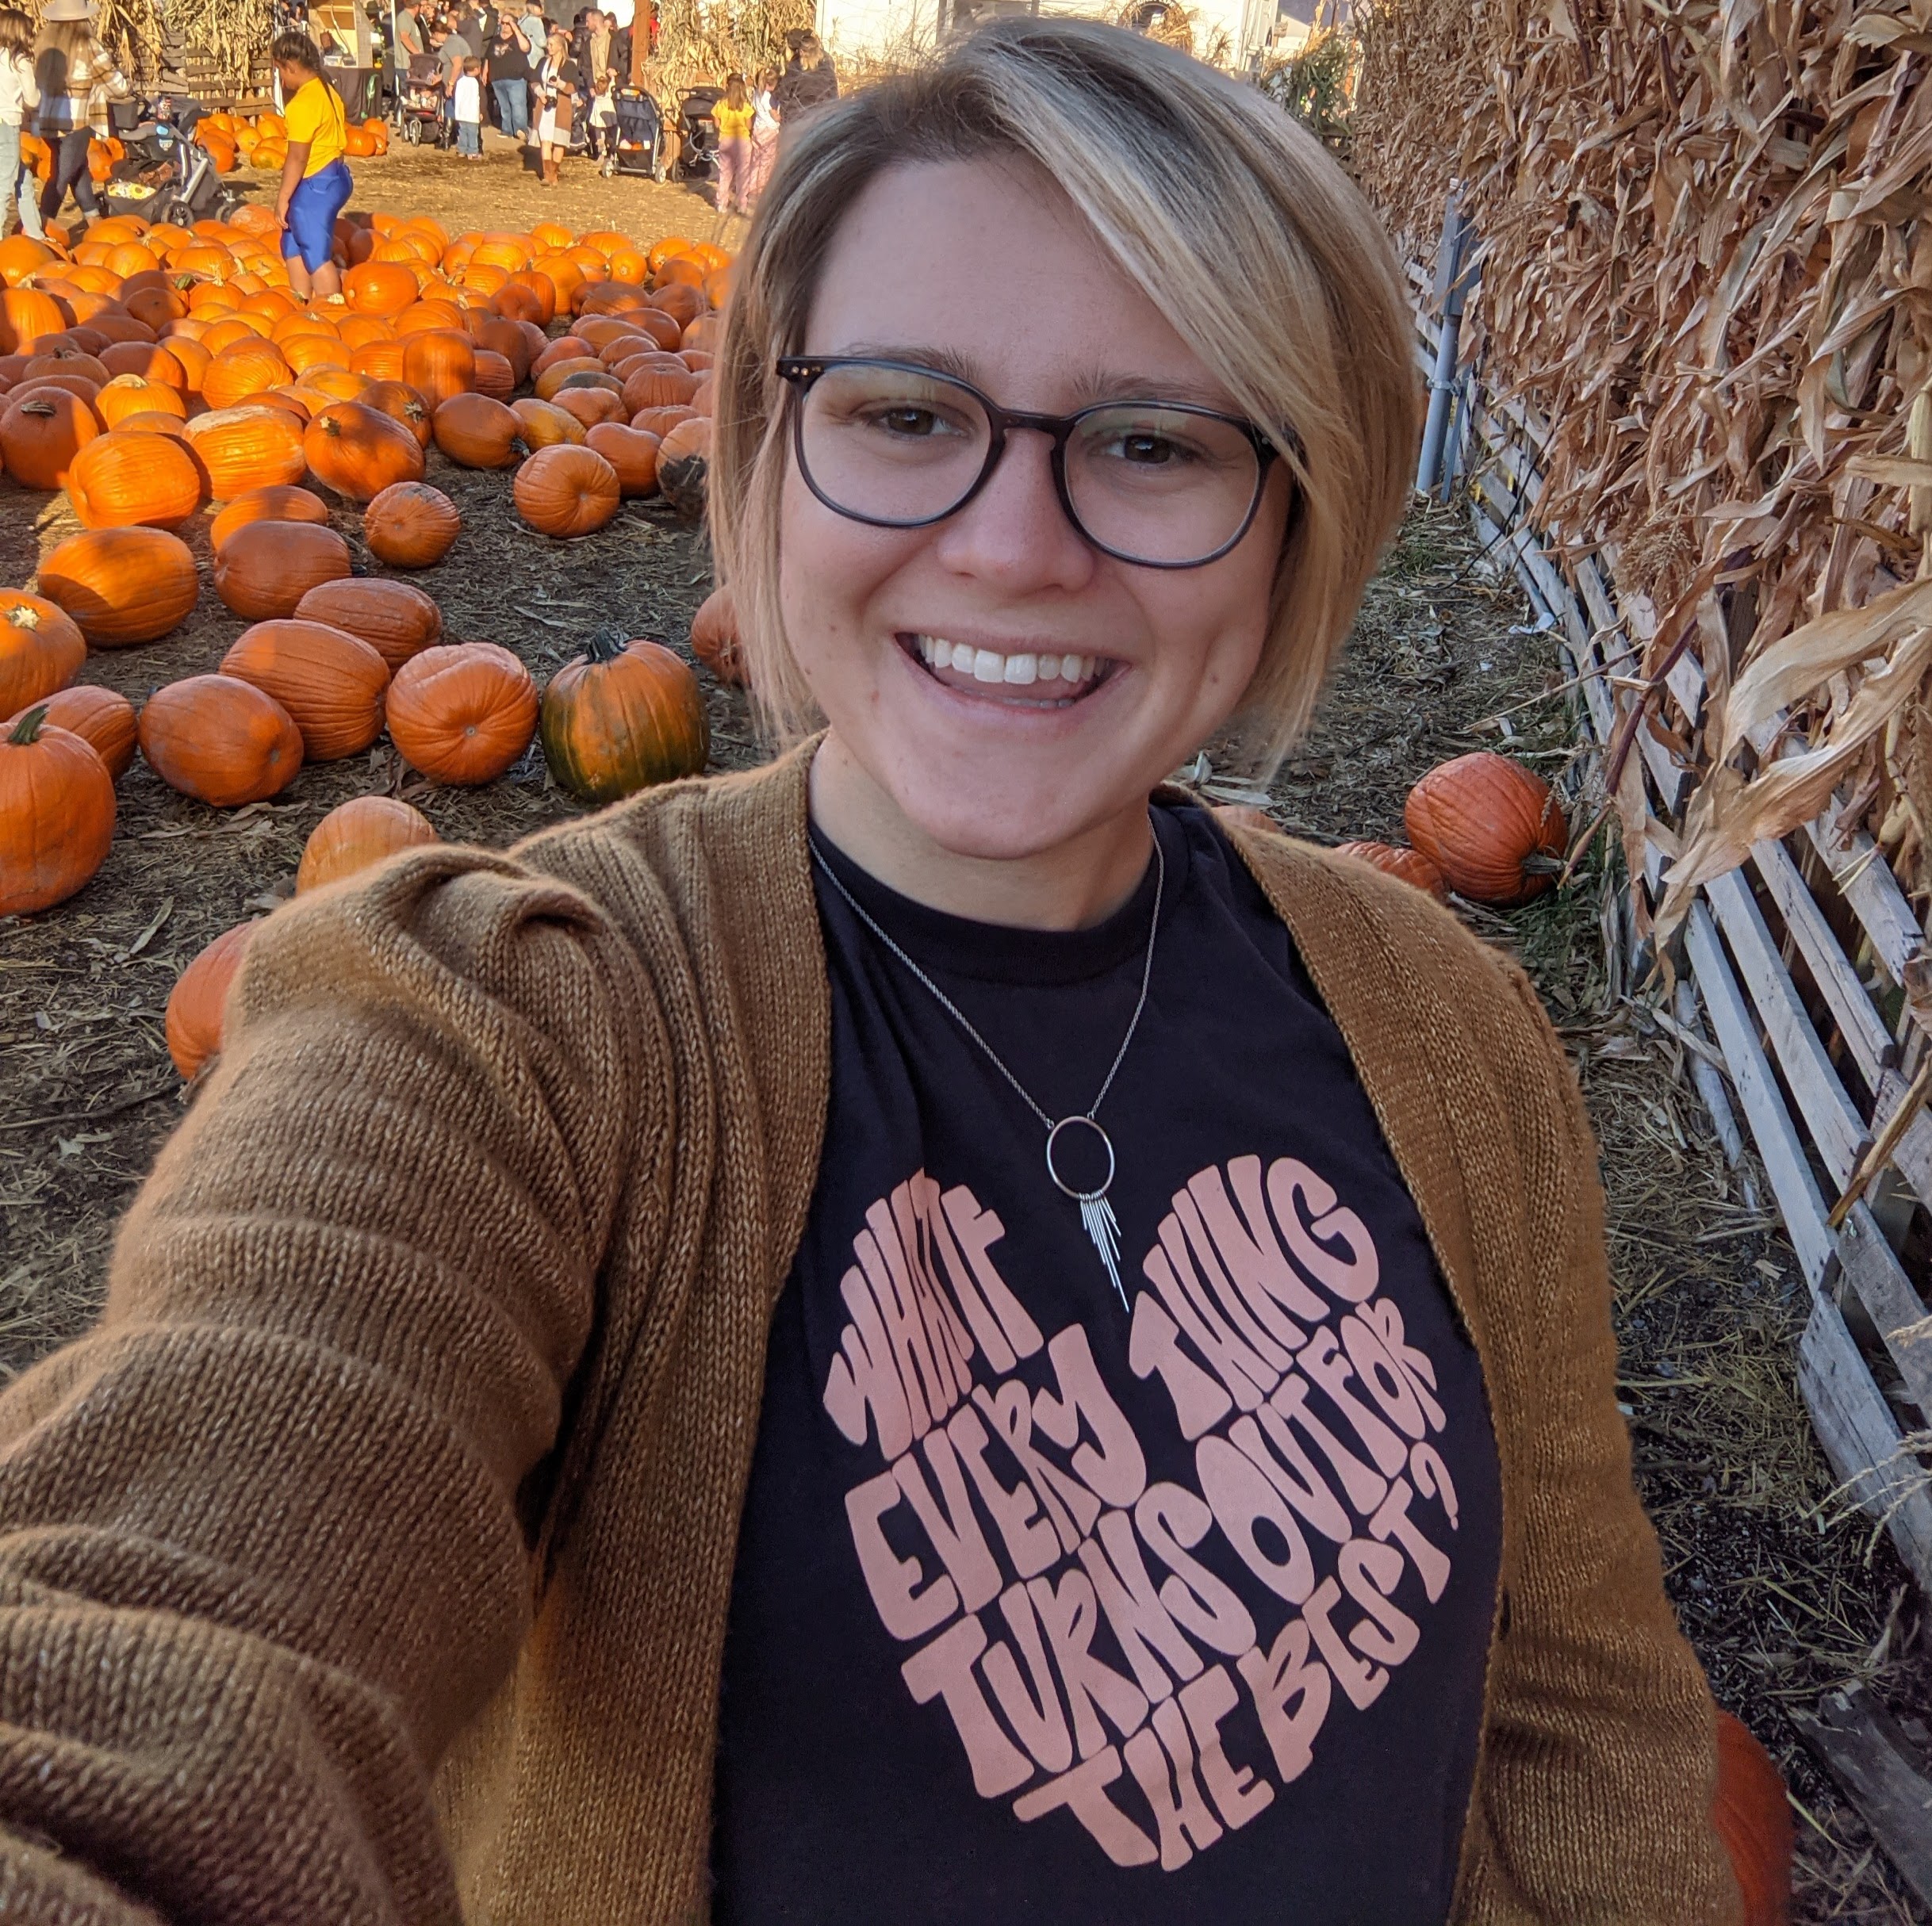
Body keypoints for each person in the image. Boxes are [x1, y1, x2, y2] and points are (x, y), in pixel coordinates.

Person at [0, 20, 1739, 1926]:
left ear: (1293, 521)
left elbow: (1581, 1698)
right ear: (771, 446)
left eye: (1152, 444)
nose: (1009, 547)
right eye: (906, 415)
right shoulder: (515, 1023)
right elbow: (174, 1604)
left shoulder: (1449, 1021)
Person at [32, 0, 127, 232]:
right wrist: (126, 89)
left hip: (47, 122)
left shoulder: (44, 43)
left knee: (78, 168)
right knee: (60, 178)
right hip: (76, 122)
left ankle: (93, 219)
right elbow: (114, 83)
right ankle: (38, 229)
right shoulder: (88, 45)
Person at [270, 29, 351, 302]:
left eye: (281, 71)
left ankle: (330, 310)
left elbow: (297, 157)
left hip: (318, 182)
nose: (281, 79)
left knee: (315, 252)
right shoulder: (326, 90)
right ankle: (301, 304)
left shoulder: (303, 103)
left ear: (291, 67)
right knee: (292, 240)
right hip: (335, 176)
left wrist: (282, 197)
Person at [0, 8, 42, 242]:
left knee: (22, 179)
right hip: (7, 125)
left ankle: (36, 235)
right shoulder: (20, 62)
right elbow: (33, 99)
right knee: (4, 184)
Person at [533, 22, 577, 186]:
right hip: (545, 106)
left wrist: (561, 85)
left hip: (561, 107)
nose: (548, 48)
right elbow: (535, 81)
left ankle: (554, 173)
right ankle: (547, 174)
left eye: (551, 45)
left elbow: (573, 87)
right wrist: (541, 94)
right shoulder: (543, 63)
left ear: (560, 47)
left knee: (559, 142)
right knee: (545, 140)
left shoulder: (570, 65)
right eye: (548, 45)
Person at [711, 68, 753, 215]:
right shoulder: (746, 107)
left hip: (726, 141)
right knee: (743, 175)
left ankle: (721, 204)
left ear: (727, 87)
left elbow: (716, 124)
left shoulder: (720, 105)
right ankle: (742, 205)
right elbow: (749, 126)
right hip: (743, 143)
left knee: (725, 174)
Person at [774, 27, 836, 118]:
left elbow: (784, 93)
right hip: (824, 118)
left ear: (801, 52)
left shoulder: (795, 66)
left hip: (801, 120)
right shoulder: (827, 63)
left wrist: (784, 118)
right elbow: (834, 94)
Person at [486, 13, 530, 139]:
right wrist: (486, 73)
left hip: (516, 78)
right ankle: (507, 130)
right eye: (503, 23)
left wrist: (516, 30)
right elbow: (489, 58)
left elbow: (526, 48)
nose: (504, 25)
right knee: (504, 106)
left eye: (508, 23)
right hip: (497, 78)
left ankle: (521, 130)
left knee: (518, 105)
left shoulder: (519, 38)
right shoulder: (495, 40)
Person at [744, 60, 777, 208]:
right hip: (769, 132)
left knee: (755, 162)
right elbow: (774, 116)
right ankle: (761, 192)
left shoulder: (756, 95)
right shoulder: (768, 98)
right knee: (766, 163)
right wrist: (781, 117)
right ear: (772, 84)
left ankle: (751, 191)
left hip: (757, 131)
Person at [454, 53, 483, 156]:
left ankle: (462, 150)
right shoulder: (474, 83)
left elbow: (458, 97)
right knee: (472, 133)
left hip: (462, 114)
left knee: (462, 133)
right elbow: (476, 99)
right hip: (471, 114)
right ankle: (473, 151)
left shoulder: (460, 81)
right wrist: (479, 112)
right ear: (476, 69)